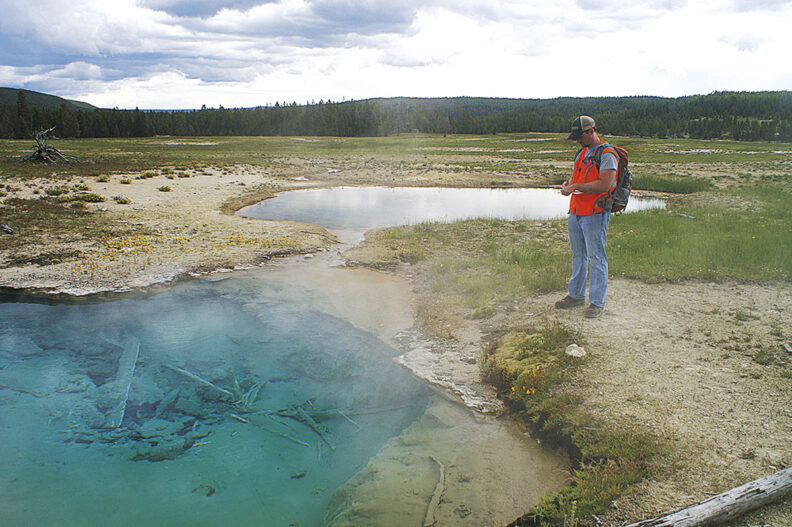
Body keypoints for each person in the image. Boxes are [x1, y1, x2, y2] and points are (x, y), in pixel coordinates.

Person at [556, 115, 618, 318]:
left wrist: (575, 187)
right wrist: (569, 186)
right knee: (578, 255)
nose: (578, 140)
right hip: (576, 212)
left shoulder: (607, 154)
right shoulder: (581, 153)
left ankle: (597, 303)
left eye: (580, 136)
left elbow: (604, 184)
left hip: (595, 213)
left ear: (591, 131)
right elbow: (578, 179)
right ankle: (576, 296)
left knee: (596, 257)